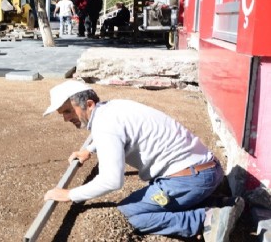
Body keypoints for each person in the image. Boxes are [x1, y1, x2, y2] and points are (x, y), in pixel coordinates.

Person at [42, 80, 245, 241]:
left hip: (189, 179)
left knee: (129, 214)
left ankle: (206, 219)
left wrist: (70, 194)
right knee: (155, 196)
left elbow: (112, 181)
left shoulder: (104, 125)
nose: (66, 118)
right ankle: (221, 202)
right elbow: (117, 133)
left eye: (68, 111)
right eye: (63, 113)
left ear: (88, 104)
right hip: (208, 170)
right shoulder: (114, 107)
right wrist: (89, 149)